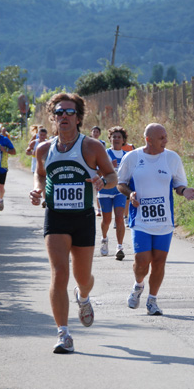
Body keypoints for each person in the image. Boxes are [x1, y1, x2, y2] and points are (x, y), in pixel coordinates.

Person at [29, 92, 117, 354]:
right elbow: (40, 174)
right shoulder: (44, 149)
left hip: (83, 218)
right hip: (56, 216)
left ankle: (84, 296)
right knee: (59, 272)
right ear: (52, 117)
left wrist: (103, 182)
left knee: (82, 277)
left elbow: (112, 175)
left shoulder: (91, 147)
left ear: (78, 118)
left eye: (69, 112)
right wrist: (37, 190)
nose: (63, 116)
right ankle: (63, 334)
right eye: (59, 112)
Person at [118, 123, 194, 316]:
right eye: (161, 137)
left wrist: (184, 191)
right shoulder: (133, 158)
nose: (166, 140)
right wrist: (130, 195)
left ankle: (152, 300)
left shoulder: (171, 158)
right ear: (148, 140)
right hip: (141, 219)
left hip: (164, 220)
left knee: (159, 262)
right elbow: (121, 184)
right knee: (142, 260)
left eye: (166, 136)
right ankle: (138, 285)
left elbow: (178, 185)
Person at [98, 126, 128, 260]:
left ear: (123, 141)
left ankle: (119, 247)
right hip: (105, 190)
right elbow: (97, 172)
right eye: (114, 137)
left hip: (119, 191)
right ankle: (104, 239)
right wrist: (109, 167)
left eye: (119, 137)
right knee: (107, 219)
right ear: (110, 139)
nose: (116, 139)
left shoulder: (127, 156)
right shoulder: (104, 154)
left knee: (120, 217)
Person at [90, 126, 106, 216]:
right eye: (94, 131)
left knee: (98, 188)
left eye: (97, 132)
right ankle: (91, 206)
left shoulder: (102, 143)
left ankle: (98, 209)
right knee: (90, 188)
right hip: (90, 167)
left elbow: (103, 156)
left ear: (99, 134)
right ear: (91, 133)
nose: (95, 133)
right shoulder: (87, 142)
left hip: (99, 168)